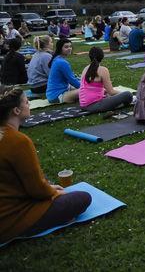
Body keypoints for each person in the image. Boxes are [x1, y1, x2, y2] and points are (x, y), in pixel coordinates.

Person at [0, 87, 92, 244]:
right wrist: (53, 193)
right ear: (16, 110)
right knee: (82, 198)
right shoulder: (18, 141)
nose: (29, 105)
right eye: (26, 102)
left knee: (47, 182)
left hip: (10, 202)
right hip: (11, 219)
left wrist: (47, 187)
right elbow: (37, 191)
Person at [79, 47, 133, 113]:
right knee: (128, 94)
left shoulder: (86, 68)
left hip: (83, 105)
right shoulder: (103, 70)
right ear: (102, 57)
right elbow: (111, 92)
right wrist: (121, 93)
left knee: (107, 94)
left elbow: (90, 88)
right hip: (93, 105)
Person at [46, 38, 80, 104]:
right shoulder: (61, 62)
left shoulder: (57, 59)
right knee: (87, 90)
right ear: (60, 48)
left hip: (54, 93)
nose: (69, 48)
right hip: (56, 96)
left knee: (85, 85)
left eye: (70, 46)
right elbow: (72, 81)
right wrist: (86, 87)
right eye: (66, 47)